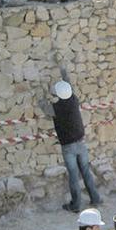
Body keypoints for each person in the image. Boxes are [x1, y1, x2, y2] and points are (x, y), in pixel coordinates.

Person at [38, 67, 101, 212]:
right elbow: (69, 85)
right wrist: (64, 71)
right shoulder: (74, 100)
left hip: (68, 147)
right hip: (81, 142)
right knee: (86, 171)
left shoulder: (56, 108)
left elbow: (42, 105)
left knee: (73, 176)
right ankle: (95, 199)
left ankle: (76, 205)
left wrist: (41, 91)